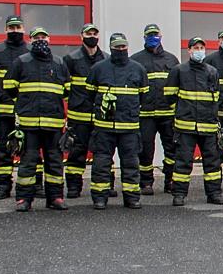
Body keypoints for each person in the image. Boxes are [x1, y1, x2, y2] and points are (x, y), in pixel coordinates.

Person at [2, 27, 69, 212]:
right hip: (28, 124)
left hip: (53, 124)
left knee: (54, 161)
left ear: (49, 39)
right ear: (30, 40)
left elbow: (68, 90)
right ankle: (24, 199)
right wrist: (25, 103)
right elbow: (9, 86)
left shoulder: (59, 63)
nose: (40, 40)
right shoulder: (21, 62)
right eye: (36, 37)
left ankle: (55, 197)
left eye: (43, 37)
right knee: (28, 162)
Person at [87, 32, 147, 210]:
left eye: (123, 46)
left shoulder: (138, 69)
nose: (120, 49)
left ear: (127, 47)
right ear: (111, 48)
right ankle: (100, 198)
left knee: (131, 164)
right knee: (101, 164)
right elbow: (90, 93)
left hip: (129, 127)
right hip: (104, 128)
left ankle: (132, 198)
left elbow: (143, 96)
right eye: (117, 47)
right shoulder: (98, 68)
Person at [166, 36, 223, 206]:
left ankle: (214, 193)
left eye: (201, 47)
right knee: (183, 162)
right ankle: (179, 194)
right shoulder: (179, 71)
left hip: (208, 126)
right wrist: (179, 115)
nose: (199, 51)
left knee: (213, 163)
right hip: (186, 127)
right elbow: (169, 97)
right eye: (196, 48)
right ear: (189, 50)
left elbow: (216, 99)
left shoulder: (212, 72)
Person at [0, 14, 29, 199]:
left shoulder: (31, 50)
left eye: (18, 28)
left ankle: (32, 186)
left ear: (23, 30)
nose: (15, 31)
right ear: (6, 30)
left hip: (26, 111)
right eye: (11, 28)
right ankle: (2, 186)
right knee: (3, 151)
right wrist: (3, 94)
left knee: (30, 149)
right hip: (4, 110)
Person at [134, 22, 179, 196]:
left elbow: (178, 86)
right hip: (145, 114)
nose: (153, 38)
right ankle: (146, 182)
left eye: (155, 34)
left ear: (161, 36)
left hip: (167, 113)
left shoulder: (171, 59)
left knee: (172, 149)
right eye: (149, 35)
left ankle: (170, 180)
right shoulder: (136, 60)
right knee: (145, 150)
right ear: (144, 38)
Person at [62, 22, 105, 199]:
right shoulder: (71, 60)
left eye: (94, 33)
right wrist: (72, 102)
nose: (92, 36)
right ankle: (73, 187)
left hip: (100, 116)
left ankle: (105, 185)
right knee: (76, 153)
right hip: (78, 116)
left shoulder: (106, 59)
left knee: (103, 152)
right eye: (88, 34)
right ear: (81, 37)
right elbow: (64, 87)